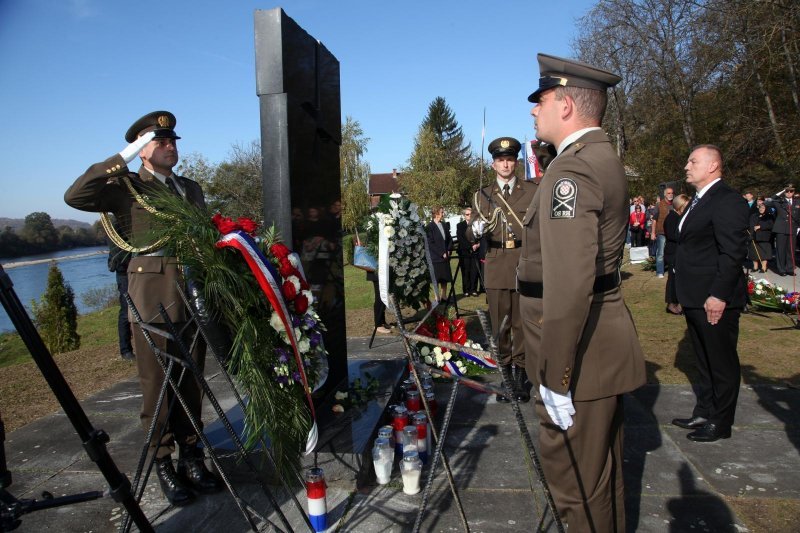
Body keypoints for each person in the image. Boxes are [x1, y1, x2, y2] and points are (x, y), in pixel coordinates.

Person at [64, 111, 221, 506]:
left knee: (191, 381)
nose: (171, 146)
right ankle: (163, 461)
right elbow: (76, 196)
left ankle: (192, 455)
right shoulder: (127, 186)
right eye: (161, 141)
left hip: (192, 295)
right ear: (142, 150)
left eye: (173, 141)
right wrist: (121, 157)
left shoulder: (191, 188)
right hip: (153, 297)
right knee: (158, 386)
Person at [518, 53, 646, 531]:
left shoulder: (571, 172)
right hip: (597, 344)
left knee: (575, 484)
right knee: (600, 479)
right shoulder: (598, 158)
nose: (535, 110)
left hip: (579, 355)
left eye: (543, 100)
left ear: (567, 105)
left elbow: (569, 285)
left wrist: (554, 374)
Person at [672, 145, 748, 443]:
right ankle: (705, 409)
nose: (687, 166)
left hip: (713, 298)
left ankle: (720, 421)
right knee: (703, 358)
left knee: (721, 361)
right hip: (693, 295)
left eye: (693, 161)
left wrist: (718, 295)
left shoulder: (726, 200)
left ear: (713, 165)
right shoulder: (699, 201)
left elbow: (732, 253)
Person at [468, 137, 536, 403]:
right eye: (500, 160)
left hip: (523, 262)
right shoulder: (482, 195)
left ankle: (520, 380)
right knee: (499, 324)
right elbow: (470, 233)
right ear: (493, 163)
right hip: (496, 262)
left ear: (515, 162)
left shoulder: (531, 191)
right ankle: (505, 377)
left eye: (509, 159)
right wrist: (473, 231)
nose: (505, 164)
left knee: (521, 323)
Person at [107, 221, 133, 360]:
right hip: (124, 272)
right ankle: (125, 350)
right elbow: (117, 251)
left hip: (134, 269)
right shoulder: (115, 225)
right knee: (126, 311)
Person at [664, 194, 690, 315]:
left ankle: (679, 302)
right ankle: (671, 303)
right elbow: (671, 235)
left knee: (678, 278)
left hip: (678, 251)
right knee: (673, 278)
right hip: (673, 251)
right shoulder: (672, 218)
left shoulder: (678, 217)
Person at [768, 184, 799, 276]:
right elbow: (769, 201)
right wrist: (781, 191)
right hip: (781, 228)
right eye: (787, 191)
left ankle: (790, 268)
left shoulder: (798, 202)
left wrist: (799, 227)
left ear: (793, 192)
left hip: (793, 228)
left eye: (791, 191)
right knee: (780, 250)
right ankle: (781, 269)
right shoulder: (779, 201)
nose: (789, 193)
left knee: (791, 250)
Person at [425, 206, 453, 300]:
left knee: (444, 278)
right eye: (442, 212)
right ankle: (437, 297)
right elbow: (431, 243)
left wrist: (448, 250)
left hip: (446, 256)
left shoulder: (444, 225)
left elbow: (449, 239)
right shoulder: (429, 227)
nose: (443, 214)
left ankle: (444, 295)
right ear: (436, 214)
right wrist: (442, 253)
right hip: (436, 257)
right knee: (436, 279)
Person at [456, 207, 480, 296]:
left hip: (475, 251)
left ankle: (473, 289)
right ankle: (466, 290)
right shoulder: (460, 225)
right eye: (467, 214)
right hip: (464, 252)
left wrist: (477, 245)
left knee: (474, 270)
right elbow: (461, 238)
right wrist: (471, 246)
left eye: (470, 214)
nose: (469, 216)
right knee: (465, 271)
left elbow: (479, 236)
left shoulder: (476, 224)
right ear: (464, 215)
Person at [652, 187, 674, 278]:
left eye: (672, 193)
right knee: (660, 252)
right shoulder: (659, 204)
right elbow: (654, 220)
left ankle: (672, 270)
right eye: (668, 193)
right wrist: (653, 233)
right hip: (661, 231)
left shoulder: (675, 204)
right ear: (665, 194)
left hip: (672, 232)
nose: (671, 194)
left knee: (672, 252)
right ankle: (660, 272)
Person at [749, 203, 774, 272]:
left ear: (766, 208)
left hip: (764, 237)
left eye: (763, 208)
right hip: (754, 236)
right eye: (760, 207)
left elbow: (771, 225)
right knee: (754, 253)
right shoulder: (753, 215)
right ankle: (755, 267)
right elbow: (750, 225)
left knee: (764, 254)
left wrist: (760, 226)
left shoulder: (769, 216)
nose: (761, 209)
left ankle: (764, 267)